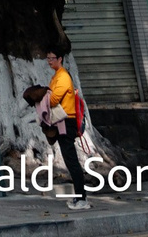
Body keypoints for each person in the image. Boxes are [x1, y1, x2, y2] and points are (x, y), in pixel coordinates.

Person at [40, 52, 90, 209]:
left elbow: (54, 99)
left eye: (52, 58)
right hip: (62, 122)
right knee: (70, 161)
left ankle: (82, 199)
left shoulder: (62, 77)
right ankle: (79, 198)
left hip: (66, 122)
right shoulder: (56, 76)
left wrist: (43, 95)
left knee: (72, 161)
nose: (49, 61)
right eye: (47, 58)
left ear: (60, 59)